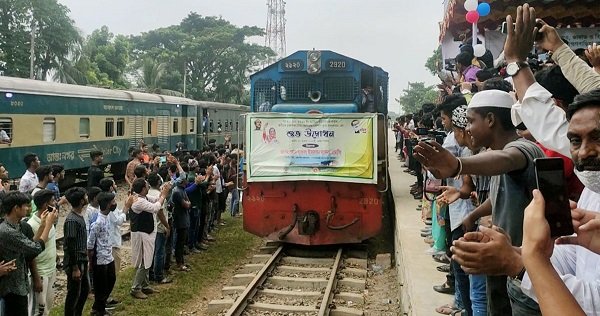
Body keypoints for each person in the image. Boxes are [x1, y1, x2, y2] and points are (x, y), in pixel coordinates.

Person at [413, 89, 545, 315]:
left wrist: (458, 165)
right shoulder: (497, 153)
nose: (468, 128)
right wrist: (473, 216)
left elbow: (507, 159)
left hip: (524, 268)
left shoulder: (522, 149)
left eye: (472, 121)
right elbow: (497, 196)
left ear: (491, 120)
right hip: (503, 261)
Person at [0, 191, 57, 315]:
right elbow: (35, 248)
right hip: (11, 289)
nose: (28, 208)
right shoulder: (7, 231)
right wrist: (48, 224)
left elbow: (29, 249)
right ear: (16, 208)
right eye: (25, 205)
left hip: (20, 284)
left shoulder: (19, 226)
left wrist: (42, 226)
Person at [129, 178, 170, 299]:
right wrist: (164, 194)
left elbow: (157, 201)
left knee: (148, 259)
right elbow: (155, 208)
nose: (148, 187)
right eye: (146, 186)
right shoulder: (138, 201)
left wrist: (162, 194)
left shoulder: (143, 198)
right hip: (141, 234)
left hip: (147, 232)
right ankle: (135, 288)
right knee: (143, 261)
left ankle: (145, 285)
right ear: (142, 189)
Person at [27, 190, 58, 316]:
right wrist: (36, 278)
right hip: (41, 273)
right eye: (52, 201)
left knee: (47, 307)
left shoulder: (50, 219)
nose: (55, 203)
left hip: (51, 269)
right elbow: (30, 253)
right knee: (38, 311)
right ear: (46, 205)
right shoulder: (31, 225)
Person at [87, 192, 117, 316]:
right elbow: (90, 243)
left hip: (108, 256)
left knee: (111, 280)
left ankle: (100, 306)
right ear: (108, 204)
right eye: (113, 202)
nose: (115, 204)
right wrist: (91, 261)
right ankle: (98, 309)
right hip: (100, 259)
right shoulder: (98, 222)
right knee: (101, 286)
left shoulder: (107, 217)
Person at [63, 187, 90, 316]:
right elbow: (70, 245)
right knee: (74, 294)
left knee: (84, 290)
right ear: (81, 201)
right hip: (76, 262)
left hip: (82, 259)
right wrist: (74, 267)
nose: (87, 198)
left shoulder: (78, 216)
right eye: (85, 196)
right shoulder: (72, 220)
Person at [147, 173, 171, 284]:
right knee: (159, 252)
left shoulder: (147, 193)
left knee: (151, 252)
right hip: (160, 226)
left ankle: (151, 274)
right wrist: (167, 226)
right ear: (158, 182)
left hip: (150, 227)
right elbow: (161, 212)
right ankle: (159, 275)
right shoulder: (159, 196)